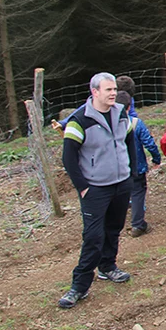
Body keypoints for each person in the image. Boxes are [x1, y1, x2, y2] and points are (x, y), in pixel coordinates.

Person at [58, 73, 137, 308]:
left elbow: (129, 142)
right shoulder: (79, 120)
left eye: (114, 89)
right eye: (108, 90)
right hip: (95, 189)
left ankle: (108, 267)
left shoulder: (121, 113)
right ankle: (79, 286)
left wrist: (131, 174)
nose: (113, 93)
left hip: (121, 184)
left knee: (114, 228)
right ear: (95, 92)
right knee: (93, 237)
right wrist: (83, 187)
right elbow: (68, 157)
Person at [113, 82, 161, 238]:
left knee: (119, 192)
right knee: (138, 193)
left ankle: (115, 222)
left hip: (116, 168)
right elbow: (149, 143)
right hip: (136, 167)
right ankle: (138, 224)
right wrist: (156, 158)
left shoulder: (108, 125)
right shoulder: (135, 123)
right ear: (129, 107)